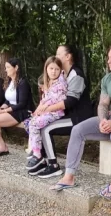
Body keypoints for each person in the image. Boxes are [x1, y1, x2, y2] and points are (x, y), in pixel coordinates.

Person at [50, 45, 111, 199]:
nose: (108, 61)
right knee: (78, 130)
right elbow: (103, 104)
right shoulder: (108, 79)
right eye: (108, 57)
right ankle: (69, 177)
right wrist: (103, 120)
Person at [31, 44, 93, 179]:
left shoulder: (76, 74)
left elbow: (70, 101)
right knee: (40, 124)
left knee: (46, 129)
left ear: (68, 57)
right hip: (68, 115)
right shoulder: (63, 74)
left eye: (58, 54)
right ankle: (42, 160)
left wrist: (46, 109)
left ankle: (53, 166)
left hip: (79, 118)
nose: (56, 56)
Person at [25, 57, 68, 167]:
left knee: (34, 124)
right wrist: (37, 111)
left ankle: (37, 154)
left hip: (55, 112)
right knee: (30, 121)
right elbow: (44, 100)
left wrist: (43, 109)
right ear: (46, 69)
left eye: (57, 69)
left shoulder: (61, 83)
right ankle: (35, 149)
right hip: (47, 112)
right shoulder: (49, 83)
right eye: (51, 68)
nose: (54, 72)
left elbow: (54, 101)